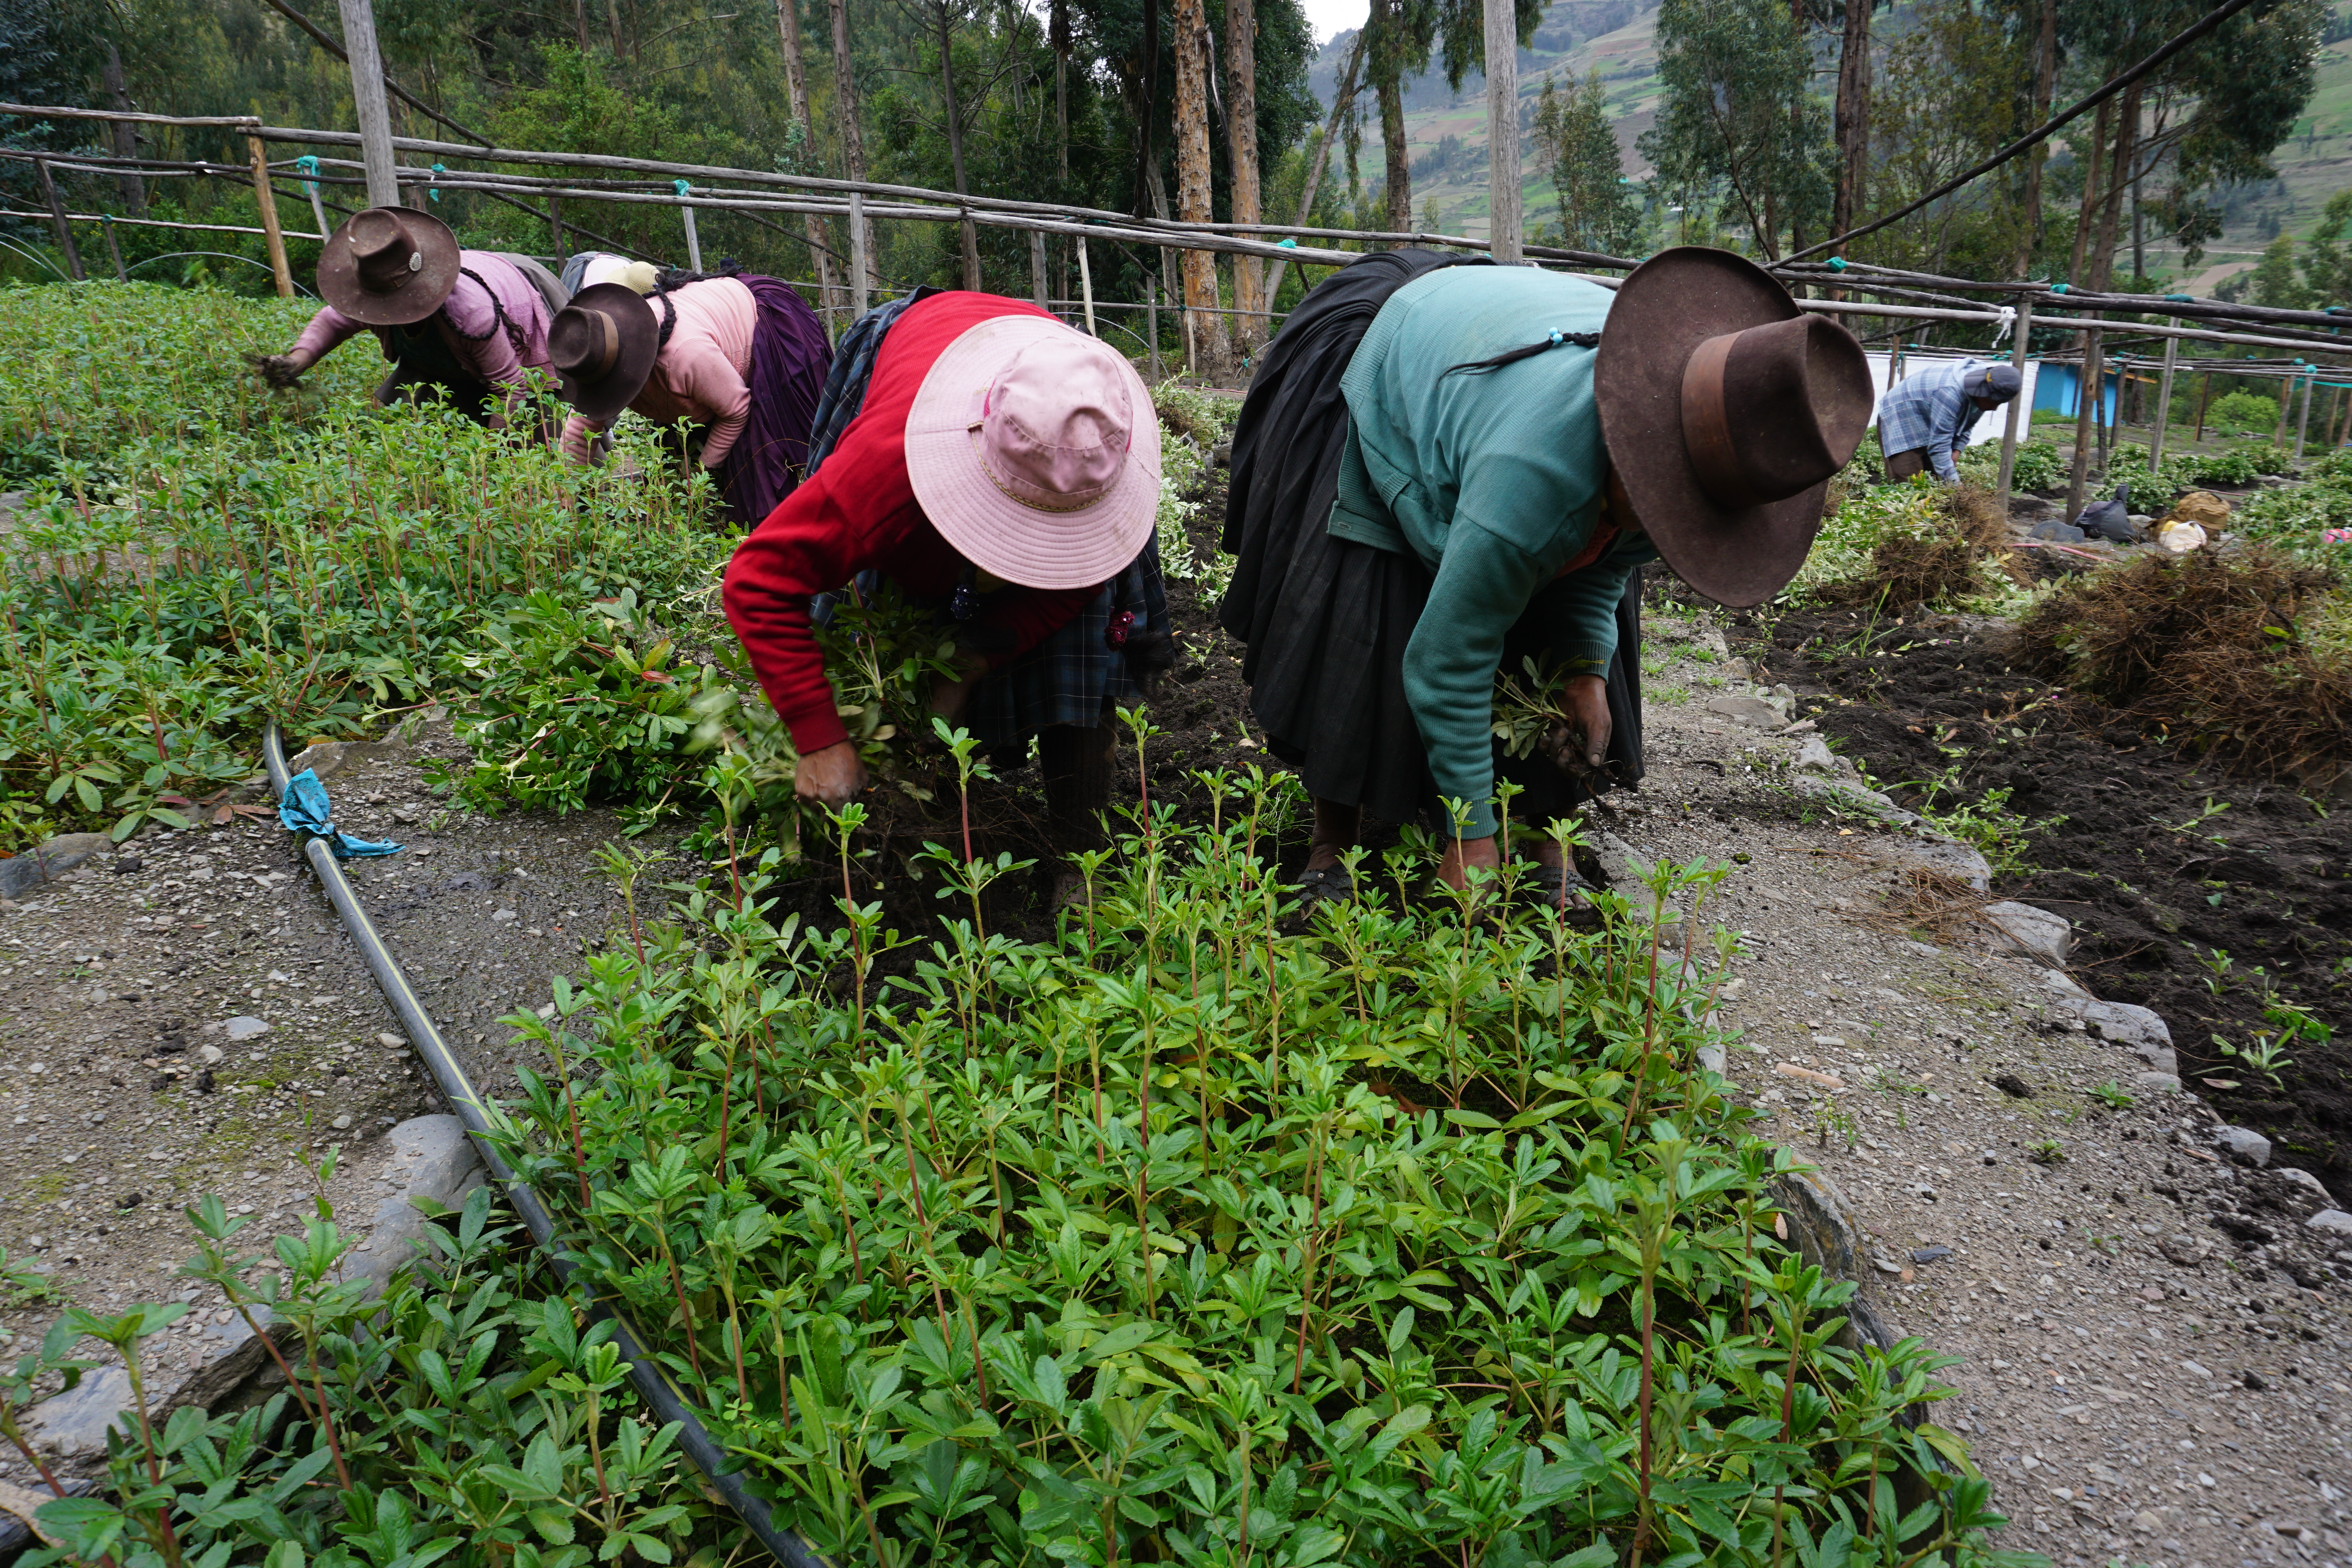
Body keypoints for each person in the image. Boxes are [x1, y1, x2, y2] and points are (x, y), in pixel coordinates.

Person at [1220, 246, 1873, 899]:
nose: (1665, 517)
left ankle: (1545, 829)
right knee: (1368, 612)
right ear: (1634, 450)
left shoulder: (1704, 463)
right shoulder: (1530, 472)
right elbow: (1447, 660)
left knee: (1575, 634)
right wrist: (1471, 835)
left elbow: (1607, 561)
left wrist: (1587, 670)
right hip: (1415, 355)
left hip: (1530, 399)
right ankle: (1335, 840)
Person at [721, 292, 1172, 900]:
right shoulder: (884, 469)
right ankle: (919, 822)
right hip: (923, 359)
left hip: (1049, 383)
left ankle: (1078, 854)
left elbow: (1079, 582)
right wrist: (820, 737)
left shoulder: (1092, 443)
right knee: (887, 628)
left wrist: (973, 660)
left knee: (1087, 648)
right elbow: (760, 580)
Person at [550, 267, 832, 524]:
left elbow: (736, 409)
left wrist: (700, 477)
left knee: (763, 484)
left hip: (766, 330)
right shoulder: (596, 350)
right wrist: (559, 504)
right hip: (703, 374)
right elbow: (579, 431)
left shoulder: (685, 355)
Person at [254, 207, 564, 430]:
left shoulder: (471, 315)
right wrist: (296, 361)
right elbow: (334, 321)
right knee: (435, 429)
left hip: (518, 289)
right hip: (454, 358)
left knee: (543, 432)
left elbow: (510, 388)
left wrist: (491, 455)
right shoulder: (369, 294)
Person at [1876, 359, 2022, 483]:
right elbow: (1940, 445)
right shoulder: (1950, 393)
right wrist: (1955, 485)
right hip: (1901, 416)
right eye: (1993, 402)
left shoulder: (1986, 387)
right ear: (1983, 392)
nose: (1994, 408)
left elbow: (1968, 422)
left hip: (1928, 413)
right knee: (1909, 481)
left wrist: (1957, 449)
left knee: (1936, 479)